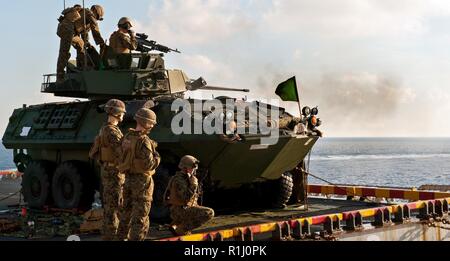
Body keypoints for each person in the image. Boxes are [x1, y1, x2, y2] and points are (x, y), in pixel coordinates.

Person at [117, 108, 160, 241]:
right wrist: (157, 156)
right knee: (140, 217)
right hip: (142, 182)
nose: (152, 126)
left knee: (125, 215)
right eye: (151, 123)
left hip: (128, 179)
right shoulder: (144, 140)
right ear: (145, 122)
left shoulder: (127, 137)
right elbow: (149, 164)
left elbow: (120, 157)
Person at [88, 99, 126, 241]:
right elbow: (121, 153)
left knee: (110, 205)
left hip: (108, 170)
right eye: (122, 112)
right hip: (114, 173)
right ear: (117, 113)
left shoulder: (104, 128)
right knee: (115, 206)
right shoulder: (112, 131)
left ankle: (109, 234)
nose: (123, 115)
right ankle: (112, 235)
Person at [164, 155, 214, 236]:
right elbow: (186, 198)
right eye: (193, 168)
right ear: (185, 168)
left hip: (181, 209)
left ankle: (178, 225)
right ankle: (182, 228)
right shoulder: (179, 180)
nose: (195, 170)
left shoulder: (186, 178)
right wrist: (194, 185)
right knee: (209, 213)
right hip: (180, 210)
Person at [56, 4, 105, 82]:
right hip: (68, 30)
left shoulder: (84, 14)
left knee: (68, 50)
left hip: (64, 29)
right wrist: (101, 43)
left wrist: (87, 43)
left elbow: (84, 33)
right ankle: (83, 66)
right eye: (97, 17)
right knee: (69, 50)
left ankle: (60, 76)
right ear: (96, 11)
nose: (96, 19)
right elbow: (95, 28)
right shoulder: (89, 14)